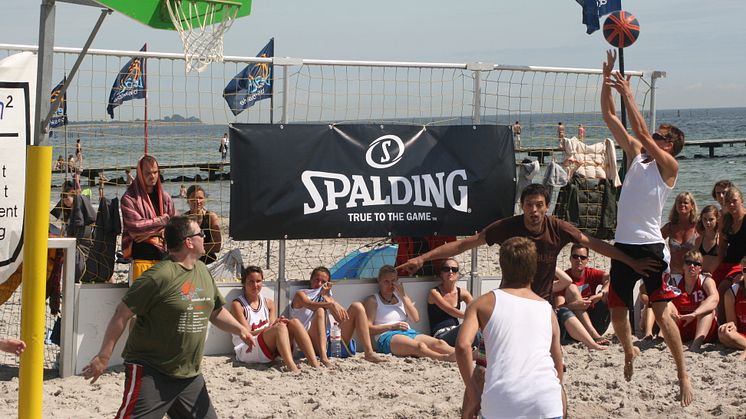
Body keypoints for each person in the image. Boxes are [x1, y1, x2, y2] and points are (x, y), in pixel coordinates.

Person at [82, 216, 255, 419]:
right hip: (152, 372)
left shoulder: (202, 270)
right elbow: (121, 314)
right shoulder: (158, 276)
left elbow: (215, 311)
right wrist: (103, 357)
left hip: (189, 376)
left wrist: (241, 329)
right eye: (201, 234)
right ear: (188, 242)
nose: (205, 237)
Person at [601, 49, 693, 406]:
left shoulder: (668, 166)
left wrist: (629, 93)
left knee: (662, 312)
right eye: (655, 133)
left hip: (651, 247)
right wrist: (606, 79)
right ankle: (628, 351)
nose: (653, 135)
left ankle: (682, 373)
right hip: (623, 245)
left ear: (671, 145)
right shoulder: (638, 156)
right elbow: (609, 117)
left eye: (661, 134)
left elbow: (639, 127)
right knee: (617, 311)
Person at [398, 183, 655, 305]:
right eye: (529, 205)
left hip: (542, 303)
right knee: (490, 360)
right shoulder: (507, 227)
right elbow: (464, 245)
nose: (534, 210)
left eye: (539, 205)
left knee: (551, 361)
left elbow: (596, 244)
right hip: (508, 300)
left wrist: (631, 261)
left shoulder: (557, 227)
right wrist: (422, 258)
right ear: (522, 206)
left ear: (546, 207)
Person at [456, 237, 564, 419]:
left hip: (503, 400)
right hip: (546, 401)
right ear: (534, 269)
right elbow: (557, 365)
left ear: (502, 266)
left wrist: (474, 394)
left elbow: (462, 347)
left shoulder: (483, 303)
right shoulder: (547, 309)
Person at [230, 265, 322, 372]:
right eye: (251, 281)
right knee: (280, 328)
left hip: (266, 346)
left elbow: (272, 327)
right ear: (244, 283)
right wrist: (274, 327)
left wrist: (278, 323)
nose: (255, 285)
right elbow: (247, 334)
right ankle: (292, 367)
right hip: (247, 348)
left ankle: (314, 363)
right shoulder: (238, 305)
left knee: (294, 322)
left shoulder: (268, 303)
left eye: (258, 281)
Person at [290, 267, 385, 364]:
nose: (319, 284)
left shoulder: (327, 296)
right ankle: (323, 357)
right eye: (316, 280)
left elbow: (340, 318)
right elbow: (310, 305)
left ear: (327, 284)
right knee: (320, 311)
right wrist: (330, 304)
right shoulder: (301, 294)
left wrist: (327, 297)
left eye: (323, 282)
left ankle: (369, 353)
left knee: (357, 306)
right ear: (311, 280)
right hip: (310, 342)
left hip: (331, 340)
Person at [363, 265, 455, 361]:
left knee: (439, 343)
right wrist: (392, 327)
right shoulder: (373, 300)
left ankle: (465, 354)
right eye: (386, 281)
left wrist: (403, 295)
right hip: (387, 336)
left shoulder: (400, 298)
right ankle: (443, 358)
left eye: (393, 281)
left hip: (407, 332)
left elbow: (415, 318)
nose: (390, 285)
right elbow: (368, 329)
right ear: (379, 281)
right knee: (419, 346)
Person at [121, 155, 176, 281]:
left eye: (155, 172)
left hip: (164, 258)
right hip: (142, 259)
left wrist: (150, 231)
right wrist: (163, 222)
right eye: (148, 173)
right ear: (140, 174)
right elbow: (136, 229)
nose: (153, 176)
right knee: (142, 300)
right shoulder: (129, 199)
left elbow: (175, 226)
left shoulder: (165, 197)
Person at [669, 250, 719, 352]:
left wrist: (695, 314)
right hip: (681, 323)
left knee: (707, 308)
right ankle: (665, 339)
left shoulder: (706, 281)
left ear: (700, 268)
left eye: (696, 264)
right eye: (688, 262)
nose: (692, 266)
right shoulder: (675, 282)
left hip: (701, 327)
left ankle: (696, 345)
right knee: (667, 304)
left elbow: (715, 298)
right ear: (683, 266)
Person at [561, 243, 611, 343]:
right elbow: (558, 309)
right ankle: (595, 336)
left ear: (587, 260)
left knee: (609, 294)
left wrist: (600, 294)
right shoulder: (564, 278)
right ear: (570, 258)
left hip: (595, 321)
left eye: (583, 257)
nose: (579, 260)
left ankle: (624, 330)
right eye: (575, 256)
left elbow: (609, 278)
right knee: (572, 288)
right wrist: (574, 305)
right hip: (572, 326)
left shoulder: (591, 273)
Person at [427, 258, 476, 347]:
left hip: (456, 331)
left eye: (454, 269)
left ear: (457, 274)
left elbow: (475, 309)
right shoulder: (434, 292)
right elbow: (449, 310)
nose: (450, 272)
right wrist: (470, 318)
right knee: (469, 328)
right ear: (441, 273)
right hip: (441, 335)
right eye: (446, 269)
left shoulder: (462, 292)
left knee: (477, 329)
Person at [661, 192, 699, 276]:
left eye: (685, 202)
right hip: (674, 273)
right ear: (676, 206)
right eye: (679, 202)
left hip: (692, 274)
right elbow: (655, 242)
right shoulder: (670, 227)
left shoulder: (698, 226)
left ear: (692, 206)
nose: (682, 204)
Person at [717, 256, 746, 360]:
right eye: (745, 270)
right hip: (741, 334)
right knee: (723, 333)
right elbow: (733, 323)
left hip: (740, 338)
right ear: (742, 272)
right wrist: (730, 326)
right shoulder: (732, 292)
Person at [184, 185, 221, 265]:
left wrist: (196, 249)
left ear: (204, 199)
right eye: (193, 198)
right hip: (189, 263)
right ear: (188, 200)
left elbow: (217, 246)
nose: (197, 201)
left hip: (209, 263)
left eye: (200, 198)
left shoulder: (211, 216)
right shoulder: (183, 219)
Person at [694, 205, 720, 274]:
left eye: (711, 219)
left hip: (717, 275)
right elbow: (695, 261)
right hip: (701, 275)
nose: (707, 222)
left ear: (717, 219)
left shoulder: (721, 239)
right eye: (705, 219)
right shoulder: (699, 240)